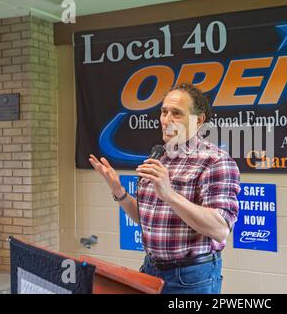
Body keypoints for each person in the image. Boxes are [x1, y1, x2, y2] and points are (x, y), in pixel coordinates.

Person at [88, 83, 240, 294]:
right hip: (150, 269)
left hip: (191, 278)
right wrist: (118, 191)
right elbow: (148, 220)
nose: (166, 119)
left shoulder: (216, 162)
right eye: (164, 111)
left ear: (199, 120)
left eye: (176, 113)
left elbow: (220, 229)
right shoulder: (160, 156)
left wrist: (169, 195)